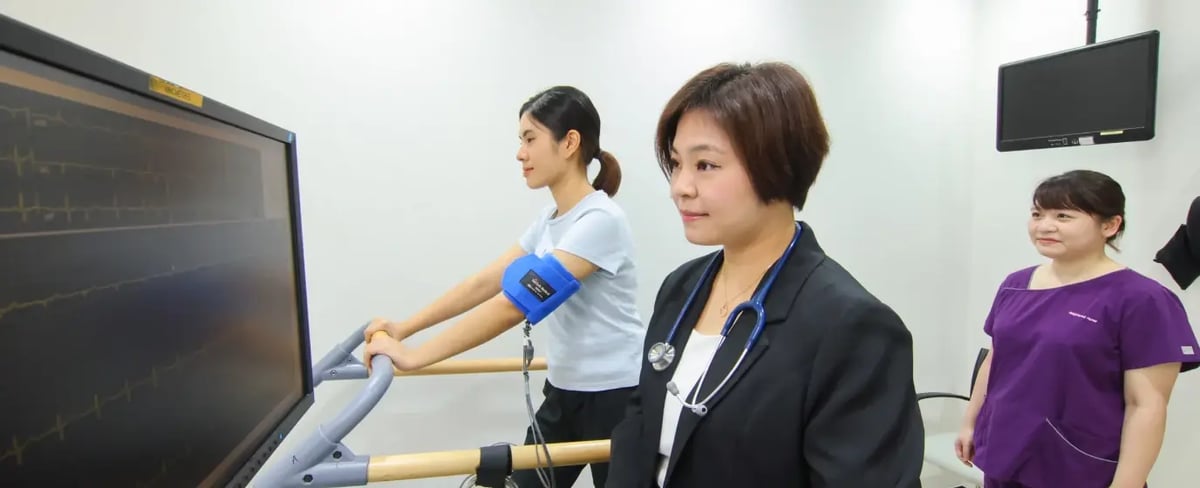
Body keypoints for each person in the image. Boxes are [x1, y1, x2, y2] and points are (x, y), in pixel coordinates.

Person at [605, 61, 925, 488]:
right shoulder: (681, 287)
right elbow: (640, 424)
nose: (680, 186)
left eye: (706, 165)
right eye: (678, 163)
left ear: (777, 164)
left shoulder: (851, 327)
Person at [362, 85, 644, 488]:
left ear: (569, 143)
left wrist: (416, 357)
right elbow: (484, 282)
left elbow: (514, 305)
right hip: (564, 392)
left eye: (530, 139)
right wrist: (405, 328)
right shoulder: (550, 219)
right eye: (520, 141)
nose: (520, 153)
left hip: (616, 396)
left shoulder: (599, 221)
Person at [955, 169, 1200, 488]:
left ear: (1110, 225)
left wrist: (1127, 484)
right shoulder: (1016, 285)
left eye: (1064, 215)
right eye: (1037, 213)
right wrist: (971, 422)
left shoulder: (1143, 299)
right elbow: (996, 358)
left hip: (1080, 467)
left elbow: (1146, 406)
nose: (1045, 225)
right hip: (1006, 454)